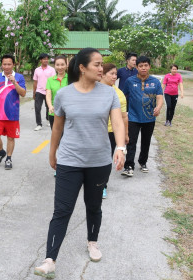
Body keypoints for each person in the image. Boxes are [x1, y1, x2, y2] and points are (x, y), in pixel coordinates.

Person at [34, 48, 126, 279]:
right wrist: (52, 152)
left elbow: (117, 121)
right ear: (82, 68)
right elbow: (58, 127)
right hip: (69, 160)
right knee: (62, 210)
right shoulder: (64, 94)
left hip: (99, 162)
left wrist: (121, 148)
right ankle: (50, 260)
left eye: (102, 64)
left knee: (94, 206)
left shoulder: (109, 93)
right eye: (96, 64)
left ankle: (92, 242)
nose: (101, 68)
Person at [121, 56, 163, 177]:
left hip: (149, 117)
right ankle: (129, 166)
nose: (143, 68)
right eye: (140, 66)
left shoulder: (155, 82)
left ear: (149, 66)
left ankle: (143, 162)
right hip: (133, 117)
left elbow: (159, 97)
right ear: (137, 67)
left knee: (146, 141)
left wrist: (158, 107)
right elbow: (123, 96)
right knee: (131, 141)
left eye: (146, 65)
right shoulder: (130, 81)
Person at [0, 54, 26, 170]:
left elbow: (23, 93)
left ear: (13, 65)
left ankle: (8, 158)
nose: (7, 66)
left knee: (10, 137)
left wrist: (15, 82)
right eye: (4, 64)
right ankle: (1, 152)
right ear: (1, 65)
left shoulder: (19, 77)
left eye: (9, 64)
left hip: (12, 114)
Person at [100, 63, 129, 198]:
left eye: (116, 74)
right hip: (95, 131)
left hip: (111, 132)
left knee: (106, 160)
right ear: (103, 74)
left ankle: (103, 185)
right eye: (111, 73)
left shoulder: (119, 94)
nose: (115, 76)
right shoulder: (93, 88)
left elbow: (124, 117)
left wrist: (125, 136)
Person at [33, 53, 56, 131]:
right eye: (44, 59)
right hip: (39, 91)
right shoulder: (37, 70)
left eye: (47, 59)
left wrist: (53, 92)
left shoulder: (52, 70)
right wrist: (34, 93)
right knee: (37, 108)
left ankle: (48, 119)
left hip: (48, 91)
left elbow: (53, 81)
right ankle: (39, 124)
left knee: (48, 107)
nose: (46, 60)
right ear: (41, 60)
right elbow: (35, 82)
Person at [45, 55, 68, 130]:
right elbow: (48, 95)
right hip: (54, 112)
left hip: (68, 113)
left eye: (62, 64)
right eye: (57, 65)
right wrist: (50, 106)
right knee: (56, 137)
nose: (60, 67)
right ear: (54, 65)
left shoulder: (71, 79)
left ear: (66, 65)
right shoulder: (50, 80)